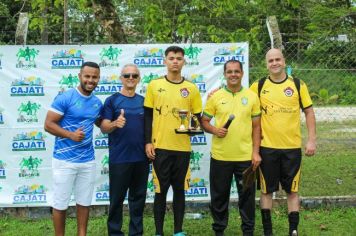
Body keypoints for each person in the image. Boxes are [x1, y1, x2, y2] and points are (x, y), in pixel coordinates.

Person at [250, 48, 316, 236]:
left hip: (291, 148)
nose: (274, 63)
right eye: (271, 60)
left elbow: (309, 112)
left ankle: (293, 230)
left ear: (284, 61)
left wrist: (312, 140)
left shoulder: (297, 84)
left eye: (278, 59)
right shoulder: (259, 85)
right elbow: (242, 101)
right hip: (266, 148)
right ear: (266, 64)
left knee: (292, 191)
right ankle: (268, 232)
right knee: (266, 191)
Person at [144, 46, 203, 236]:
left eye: (179, 58)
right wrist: (148, 142)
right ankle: (159, 232)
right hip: (160, 147)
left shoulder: (192, 89)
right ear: (165, 61)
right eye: (171, 58)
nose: (175, 61)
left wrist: (192, 127)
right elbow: (147, 117)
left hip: (182, 149)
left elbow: (197, 120)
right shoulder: (154, 85)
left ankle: (178, 231)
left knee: (180, 191)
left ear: (184, 61)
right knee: (160, 192)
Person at [201, 60, 261, 236]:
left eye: (236, 71)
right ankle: (219, 230)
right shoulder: (216, 97)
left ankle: (248, 231)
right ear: (225, 74)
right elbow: (204, 121)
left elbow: (257, 127)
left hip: (245, 157)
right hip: (221, 157)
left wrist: (256, 152)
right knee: (219, 197)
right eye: (229, 72)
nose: (233, 74)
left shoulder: (251, 96)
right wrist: (214, 129)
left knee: (247, 197)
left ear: (242, 73)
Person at [44, 61, 103, 236]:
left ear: (98, 79)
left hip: (87, 161)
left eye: (94, 77)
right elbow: (48, 124)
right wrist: (70, 135)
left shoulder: (97, 103)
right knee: (60, 203)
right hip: (64, 160)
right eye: (87, 76)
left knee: (84, 202)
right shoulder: (66, 97)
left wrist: (114, 123)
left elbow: (102, 124)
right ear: (80, 76)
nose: (90, 80)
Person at [100, 64, 149, 236]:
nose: (130, 78)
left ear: (138, 79)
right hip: (119, 159)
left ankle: (136, 233)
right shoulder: (112, 100)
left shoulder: (144, 101)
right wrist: (114, 123)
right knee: (116, 200)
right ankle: (114, 232)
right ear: (121, 78)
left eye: (134, 75)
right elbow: (104, 126)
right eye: (127, 75)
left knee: (138, 200)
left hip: (141, 159)